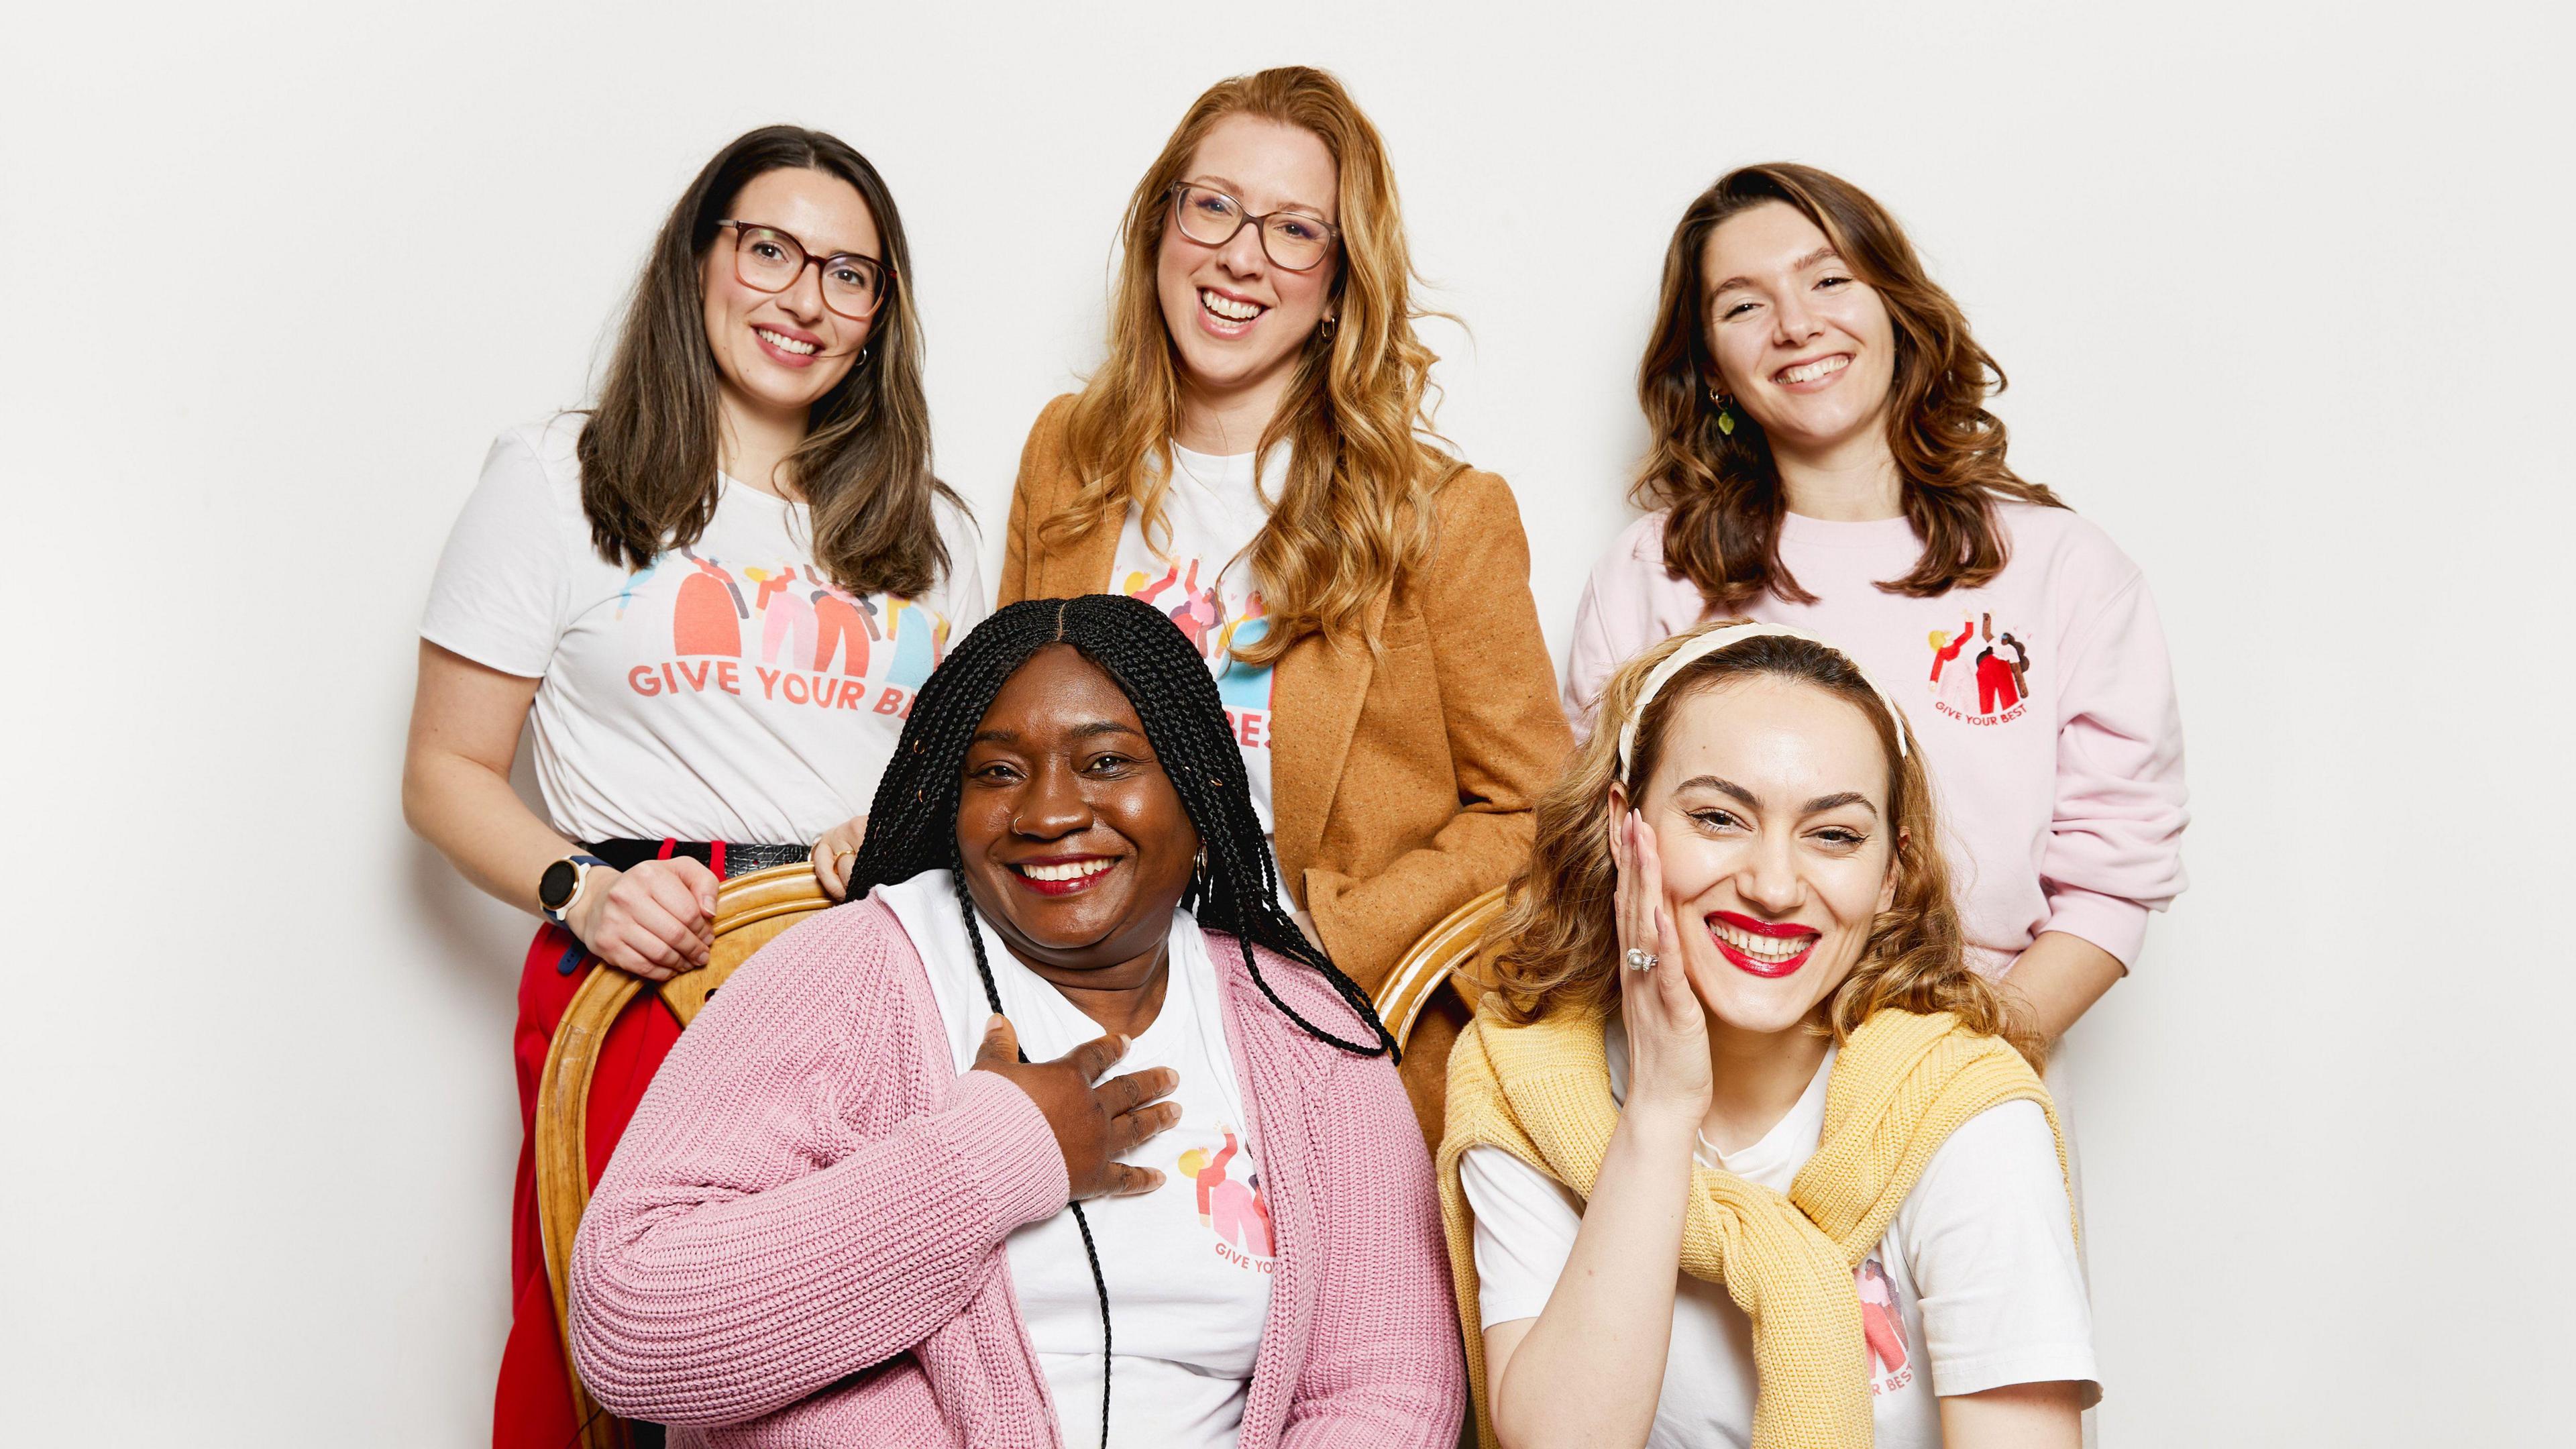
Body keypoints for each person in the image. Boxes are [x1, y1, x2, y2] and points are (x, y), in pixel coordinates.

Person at [400, 125, 983, 1447]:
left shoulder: (933, 532)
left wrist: (896, 836)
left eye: (851, 273)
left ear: (881, 314)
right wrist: (582, 892)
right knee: (616, 1360)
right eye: (769, 249)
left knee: (860, 1360)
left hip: (862, 960)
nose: (804, 297)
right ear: (701, 258)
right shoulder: (559, 478)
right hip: (647, 950)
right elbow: (442, 772)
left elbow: (965, 785)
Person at [568, 596, 1464, 1448]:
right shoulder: (845, 975)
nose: (1048, 814)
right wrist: (997, 1156)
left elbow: (1383, 1390)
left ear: (1198, 787)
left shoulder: (1299, 1025)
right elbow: (631, 1324)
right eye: (997, 771)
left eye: (1107, 762)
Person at [1000, 66, 1570, 1143]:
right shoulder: (1065, 456)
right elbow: (1007, 737)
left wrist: (1319, 936)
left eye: (1295, 230)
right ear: (1162, 223)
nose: (1241, 256)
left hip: (1326, 1037)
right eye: (1214, 205)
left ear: (1340, 279)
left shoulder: (1440, 514)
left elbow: (1539, 816)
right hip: (1072, 1016)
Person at [1564, 163, 2186, 1045]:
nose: (1795, 324)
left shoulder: (2065, 570)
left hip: (1975, 1069)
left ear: (1895, 306)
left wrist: (1964, 1076)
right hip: (1715, 1080)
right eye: (1743, 305)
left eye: (1828, 280)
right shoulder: (1652, 573)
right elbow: (1602, 853)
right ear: (1708, 371)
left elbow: (2116, 873)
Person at [1442, 621, 2097, 1449]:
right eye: (1719, 818)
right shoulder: (1525, 1080)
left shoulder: (1961, 1105)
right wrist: (1660, 1108)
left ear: (1890, 875)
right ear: (1623, 824)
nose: (1775, 886)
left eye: (1834, 835)